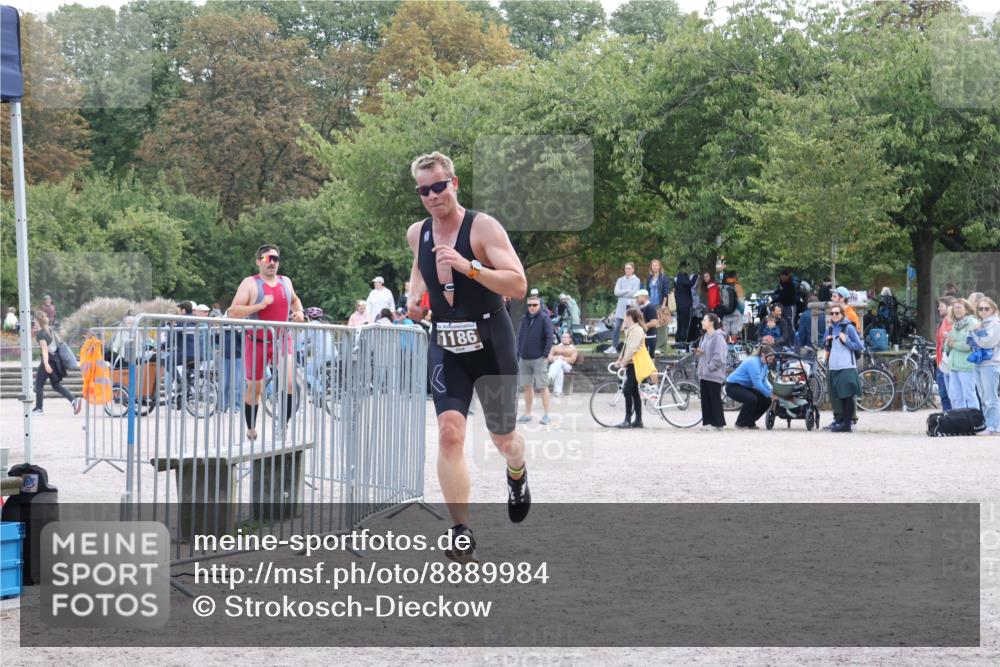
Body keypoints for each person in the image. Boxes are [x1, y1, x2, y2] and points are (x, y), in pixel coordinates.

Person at [404, 150, 531, 563]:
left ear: (454, 183)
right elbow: (419, 273)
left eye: (438, 187)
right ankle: (460, 530)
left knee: (504, 439)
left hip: (491, 340)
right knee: (449, 433)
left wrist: (469, 266)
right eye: (423, 190)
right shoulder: (417, 233)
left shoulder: (483, 227)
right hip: (446, 342)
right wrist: (414, 300)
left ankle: (517, 472)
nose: (432, 196)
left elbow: (517, 285)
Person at [227, 244, 305, 442]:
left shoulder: (285, 281)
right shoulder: (250, 283)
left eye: (275, 259)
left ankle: (282, 425)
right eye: (267, 259)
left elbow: (295, 300)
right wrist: (260, 305)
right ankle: (251, 428)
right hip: (257, 341)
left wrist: (300, 312)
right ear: (258, 262)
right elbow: (233, 312)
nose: (272, 263)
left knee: (290, 382)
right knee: (255, 389)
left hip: (282, 339)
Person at [823, 304, 864, 432]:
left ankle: (847, 424)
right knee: (840, 395)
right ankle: (843, 423)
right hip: (834, 367)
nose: (834, 315)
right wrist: (827, 342)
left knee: (848, 395)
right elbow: (826, 347)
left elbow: (860, 346)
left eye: (837, 313)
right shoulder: (830, 329)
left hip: (847, 366)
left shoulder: (849, 327)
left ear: (842, 314)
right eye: (832, 313)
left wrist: (846, 341)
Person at [32, 311, 81, 415]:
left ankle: (39, 409)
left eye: (34, 320)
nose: (33, 322)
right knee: (55, 385)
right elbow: (60, 343)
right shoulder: (50, 330)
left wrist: (46, 364)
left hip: (48, 361)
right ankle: (73, 400)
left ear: (37, 321)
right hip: (56, 361)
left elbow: (45, 350)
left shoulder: (41, 334)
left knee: (38, 385)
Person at [516, 294, 554, 425]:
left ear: (540, 305)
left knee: (543, 386)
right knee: (527, 386)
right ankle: (527, 414)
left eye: (534, 305)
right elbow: (520, 336)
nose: (531, 307)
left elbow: (549, 337)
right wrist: (519, 352)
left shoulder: (544, 318)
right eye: (529, 305)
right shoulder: (524, 319)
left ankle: (547, 415)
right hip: (524, 358)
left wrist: (545, 354)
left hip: (539, 358)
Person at [725, 344, 777, 429]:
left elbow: (764, 380)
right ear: (763, 355)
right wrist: (770, 394)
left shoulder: (764, 365)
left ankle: (749, 421)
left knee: (766, 400)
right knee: (751, 399)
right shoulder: (753, 362)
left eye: (772, 359)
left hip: (743, 387)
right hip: (732, 386)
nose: (771, 361)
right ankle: (740, 423)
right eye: (770, 359)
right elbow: (757, 384)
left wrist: (772, 390)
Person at [614, 308, 646, 429]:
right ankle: (638, 420)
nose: (624, 319)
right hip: (631, 363)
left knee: (627, 390)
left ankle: (628, 420)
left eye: (625, 317)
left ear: (629, 317)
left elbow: (632, 349)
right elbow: (626, 348)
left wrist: (623, 362)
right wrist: (620, 359)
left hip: (635, 364)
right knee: (633, 391)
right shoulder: (632, 330)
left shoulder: (637, 330)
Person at [943, 299, 978, 410]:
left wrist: (954, 344)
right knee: (956, 398)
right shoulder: (955, 325)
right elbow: (947, 346)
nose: (956, 310)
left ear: (966, 309)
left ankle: (974, 419)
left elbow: (969, 345)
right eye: (955, 308)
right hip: (953, 366)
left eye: (959, 307)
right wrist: (950, 343)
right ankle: (960, 419)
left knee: (970, 396)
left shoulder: (973, 323)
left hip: (966, 366)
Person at [972, 298, 1000, 434]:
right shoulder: (981, 324)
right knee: (983, 396)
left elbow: (988, 342)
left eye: (986, 308)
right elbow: (969, 342)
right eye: (980, 309)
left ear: (993, 309)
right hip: (979, 362)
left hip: (991, 363)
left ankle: (994, 426)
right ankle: (988, 424)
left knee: (990, 397)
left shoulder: (995, 323)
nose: (983, 311)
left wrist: (974, 335)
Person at [697, 312, 727, 430]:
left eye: (705, 320)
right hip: (704, 373)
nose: (702, 322)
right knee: (705, 400)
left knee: (714, 399)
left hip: (713, 374)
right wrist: (700, 352)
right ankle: (708, 423)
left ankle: (718, 423)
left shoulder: (718, 337)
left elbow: (719, 357)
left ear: (711, 322)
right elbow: (705, 351)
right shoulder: (705, 336)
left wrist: (710, 367)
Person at [610, 263, 640, 353]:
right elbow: (616, 292)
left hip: (630, 308)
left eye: (629, 268)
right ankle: (613, 346)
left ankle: (630, 347)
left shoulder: (636, 280)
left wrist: (621, 292)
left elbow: (634, 293)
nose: (627, 270)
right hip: (620, 307)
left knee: (630, 328)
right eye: (626, 268)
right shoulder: (620, 280)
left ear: (633, 269)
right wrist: (627, 290)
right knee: (617, 327)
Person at [934, 296, 956, 412]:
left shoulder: (954, 324)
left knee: (951, 395)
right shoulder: (942, 321)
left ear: (949, 307)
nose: (938, 308)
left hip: (950, 363)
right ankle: (947, 417)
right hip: (941, 363)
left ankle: (952, 417)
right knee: (943, 394)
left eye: (941, 305)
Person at [547, 331, 579, 396]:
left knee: (559, 361)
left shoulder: (573, 349)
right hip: (557, 366)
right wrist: (554, 358)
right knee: (559, 369)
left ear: (570, 339)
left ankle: (550, 377)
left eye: (566, 337)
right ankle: (557, 392)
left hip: (567, 367)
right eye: (562, 337)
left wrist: (561, 358)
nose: (564, 338)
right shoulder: (556, 347)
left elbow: (572, 360)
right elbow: (549, 357)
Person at [674, 266, 697, 344]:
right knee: (685, 326)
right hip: (685, 305)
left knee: (680, 325)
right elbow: (690, 283)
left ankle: (678, 342)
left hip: (679, 306)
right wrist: (696, 275)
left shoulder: (677, 278)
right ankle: (683, 343)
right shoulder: (682, 277)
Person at [634, 289, 658, 357]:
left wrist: (643, 326)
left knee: (650, 358)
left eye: (637, 297)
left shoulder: (650, 307)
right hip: (645, 337)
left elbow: (654, 322)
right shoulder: (643, 308)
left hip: (650, 337)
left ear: (643, 297)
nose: (636, 300)